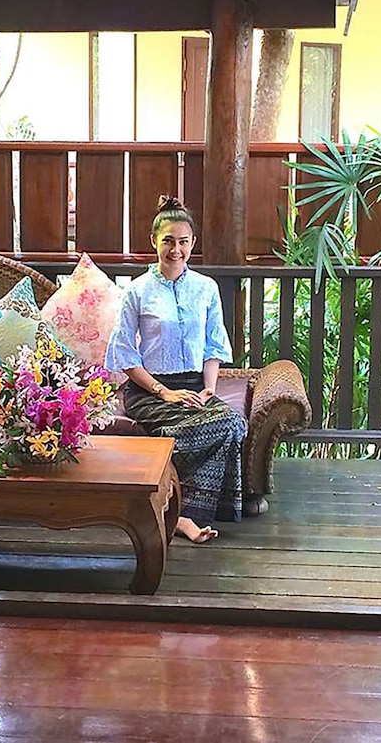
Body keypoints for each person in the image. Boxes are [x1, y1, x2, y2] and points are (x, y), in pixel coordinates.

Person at [105, 194, 245, 544]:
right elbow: (125, 354)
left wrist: (209, 389)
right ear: (154, 241)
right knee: (221, 428)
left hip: (194, 387)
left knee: (233, 423)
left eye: (183, 241)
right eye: (168, 241)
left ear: (193, 243)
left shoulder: (206, 288)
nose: (176, 250)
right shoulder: (136, 291)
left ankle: (181, 513)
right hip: (150, 391)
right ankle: (186, 514)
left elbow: (213, 345)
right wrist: (164, 392)